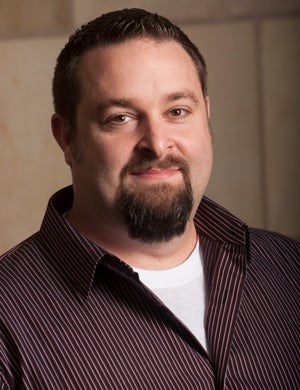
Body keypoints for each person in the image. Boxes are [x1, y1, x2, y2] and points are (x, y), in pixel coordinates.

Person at [0, 8, 299, 389]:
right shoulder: (7, 323)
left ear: (205, 117)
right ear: (67, 138)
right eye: (120, 118)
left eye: (177, 111)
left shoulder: (289, 269)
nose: (157, 143)